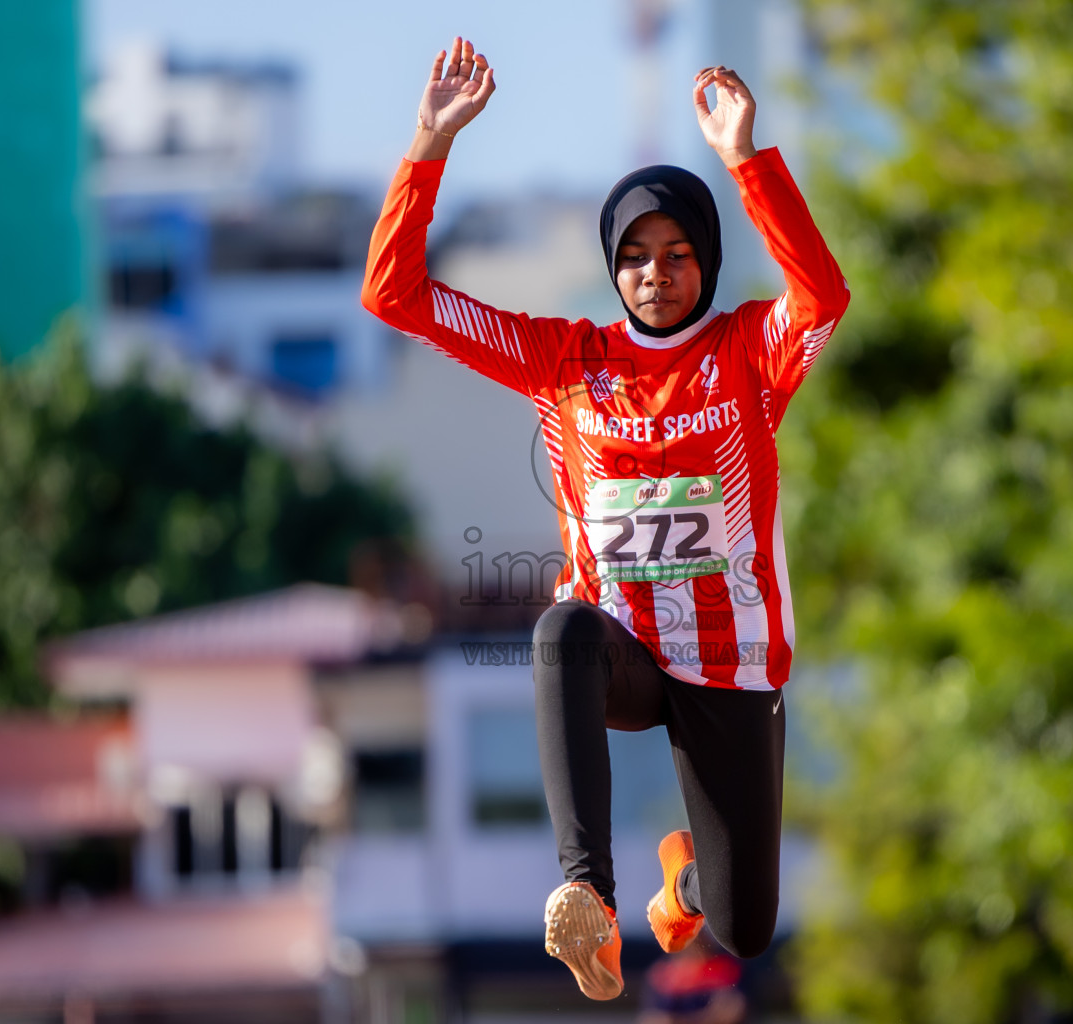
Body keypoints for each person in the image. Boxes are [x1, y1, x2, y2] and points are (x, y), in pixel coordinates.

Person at [362, 37, 849, 1000]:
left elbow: (822, 296)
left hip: (732, 663)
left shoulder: (751, 352)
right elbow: (394, 295)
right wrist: (429, 142)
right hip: (621, 650)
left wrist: (747, 159)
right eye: (633, 258)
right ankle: (588, 891)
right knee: (559, 632)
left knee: (744, 927)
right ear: (612, 269)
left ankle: (681, 879)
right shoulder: (561, 359)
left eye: (675, 257)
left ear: (704, 264)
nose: (654, 276)